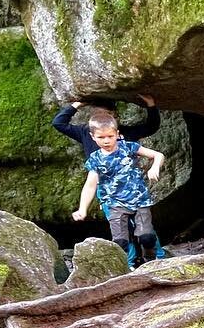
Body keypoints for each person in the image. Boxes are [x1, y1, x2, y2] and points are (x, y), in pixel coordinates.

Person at [71, 111, 168, 268]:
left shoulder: (129, 147)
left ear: (117, 133)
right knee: (121, 241)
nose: (106, 141)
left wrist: (154, 168)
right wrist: (83, 209)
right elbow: (90, 185)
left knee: (147, 237)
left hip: (139, 200)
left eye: (110, 136)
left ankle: (151, 259)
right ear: (92, 136)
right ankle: (125, 267)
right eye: (101, 137)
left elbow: (158, 155)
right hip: (115, 203)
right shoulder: (95, 159)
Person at [52, 94, 160, 156]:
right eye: (97, 115)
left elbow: (151, 127)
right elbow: (59, 123)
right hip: (105, 189)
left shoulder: (124, 132)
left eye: (106, 115)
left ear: (115, 116)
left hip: (128, 186)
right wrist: (77, 104)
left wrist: (151, 105)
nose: (102, 118)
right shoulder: (85, 132)